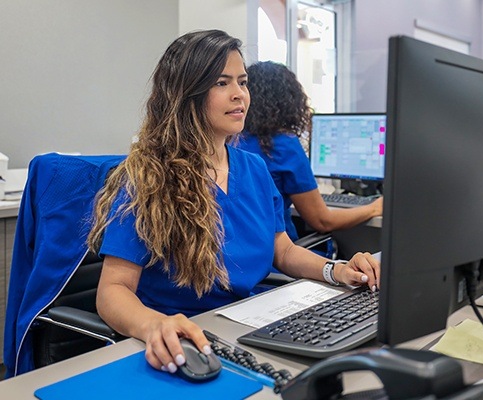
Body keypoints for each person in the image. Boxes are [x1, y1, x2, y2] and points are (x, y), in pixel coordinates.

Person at [87, 30, 380, 376]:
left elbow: (282, 251)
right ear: (187, 93)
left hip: (249, 329)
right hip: (185, 339)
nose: (239, 94)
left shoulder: (252, 167)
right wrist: (152, 326)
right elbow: (112, 291)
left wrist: (336, 270)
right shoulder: (149, 177)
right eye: (222, 83)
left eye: (243, 82)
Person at [238, 61, 383, 243]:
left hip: (243, 256)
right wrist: (375, 208)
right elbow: (322, 221)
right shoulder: (283, 146)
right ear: (288, 100)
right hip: (280, 257)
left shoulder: (233, 141)